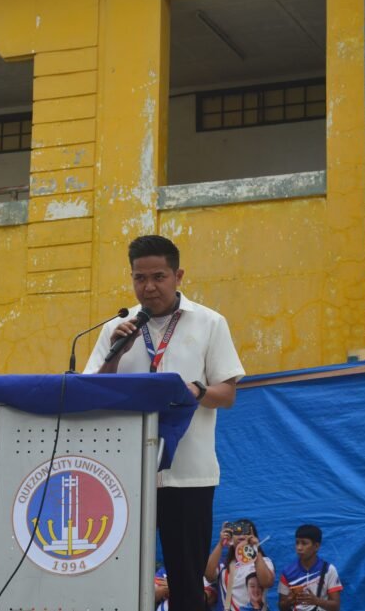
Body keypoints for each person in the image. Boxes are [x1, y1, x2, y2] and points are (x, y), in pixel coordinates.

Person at [85, 235, 244, 611]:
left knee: (186, 582)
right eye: (139, 278)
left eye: (158, 277)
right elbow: (92, 391)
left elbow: (227, 394)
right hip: (123, 475)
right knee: (119, 577)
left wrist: (195, 390)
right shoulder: (117, 328)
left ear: (178, 276)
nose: (149, 287)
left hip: (189, 475)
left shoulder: (209, 322)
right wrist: (115, 356)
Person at [206, 519, 274, 611]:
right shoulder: (223, 565)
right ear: (231, 538)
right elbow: (209, 576)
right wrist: (221, 543)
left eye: (246, 531)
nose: (242, 535)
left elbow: (267, 582)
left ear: (254, 536)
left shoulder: (264, 561)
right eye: (237, 531)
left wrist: (255, 547)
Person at [277, 525, 342, 611]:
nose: (299, 548)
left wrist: (316, 601)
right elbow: (281, 606)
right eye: (297, 543)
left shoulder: (328, 570)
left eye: (304, 543)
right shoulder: (287, 572)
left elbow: (336, 606)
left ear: (316, 546)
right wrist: (288, 601)